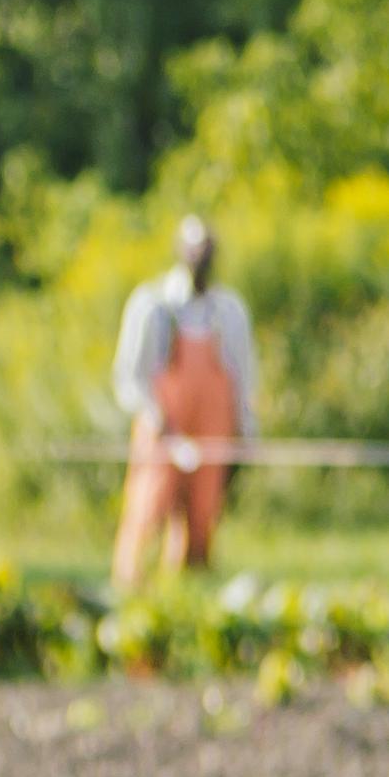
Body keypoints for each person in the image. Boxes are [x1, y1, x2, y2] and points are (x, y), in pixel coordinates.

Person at [112, 215, 258, 586]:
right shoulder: (153, 305)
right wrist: (155, 416)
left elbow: (243, 375)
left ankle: (189, 592)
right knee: (148, 510)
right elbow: (129, 375)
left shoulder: (229, 311)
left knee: (202, 516)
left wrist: (246, 429)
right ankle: (132, 589)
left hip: (212, 431)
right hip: (162, 429)